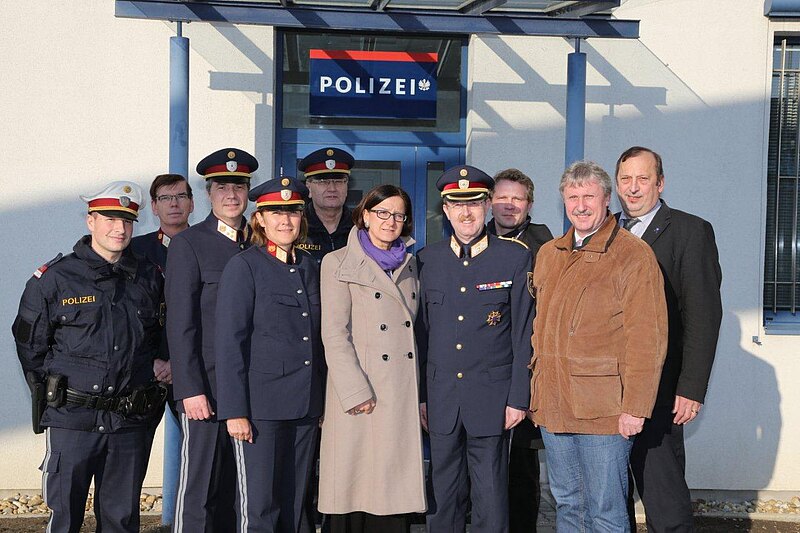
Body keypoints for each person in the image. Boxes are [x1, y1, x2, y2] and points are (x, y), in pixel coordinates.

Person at [12, 181, 166, 533]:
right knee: (65, 517)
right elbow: (31, 347)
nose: (119, 228)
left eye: (127, 221)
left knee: (121, 520)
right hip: (73, 420)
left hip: (128, 422)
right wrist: (56, 392)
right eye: (110, 219)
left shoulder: (148, 277)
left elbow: (160, 336)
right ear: (90, 221)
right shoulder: (56, 279)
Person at [529, 160, 668, 532]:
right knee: (567, 504)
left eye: (588, 196)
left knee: (604, 510)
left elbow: (648, 339)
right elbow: (539, 328)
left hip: (604, 411)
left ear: (607, 199)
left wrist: (635, 407)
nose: (580, 206)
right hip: (554, 406)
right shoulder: (550, 254)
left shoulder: (632, 255)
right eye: (572, 197)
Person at [416, 165, 534, 533]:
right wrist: (421, 396)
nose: (465, 213)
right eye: (456, 204)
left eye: (473, 204)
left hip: (492, 397)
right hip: (441, 398)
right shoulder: (427, 260)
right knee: (443, 495)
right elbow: (421, 336)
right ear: (445, 210)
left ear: (486, 206)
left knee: (491, 496)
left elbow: (523, 333)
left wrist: (518, 398)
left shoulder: (513, 257)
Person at [615, 146, 723, 532]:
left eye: (643, 179)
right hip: (609, 389)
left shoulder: (691, 231)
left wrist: (691, 387)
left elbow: (704, 315)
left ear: (660, 183)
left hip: (661, 390)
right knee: (613, 498)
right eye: (626, 179)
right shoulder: (605, 231)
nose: (633, 187)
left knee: (663, 496)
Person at [215, 176, 325, 532]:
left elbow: (317, 340)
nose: (285, 220)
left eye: (292, 212)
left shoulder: (310, 267)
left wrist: (321, 401)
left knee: (294, 505)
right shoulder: (245, 266)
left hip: (305, 407)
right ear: (260, 219)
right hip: (260, 409)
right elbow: (229, 343)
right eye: (276, 212)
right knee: (260, 508)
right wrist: (234, 411)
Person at [319, 184, 426, 533]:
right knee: (354, 488)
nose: (390, 221)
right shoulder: (337, 262)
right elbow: (334, 334)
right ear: (365, 215)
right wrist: (355, 391)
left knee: (391, 492)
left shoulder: (410, 265)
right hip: (361, 394)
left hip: (398, 393)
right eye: (382, 212)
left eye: (398, 215)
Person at [166, 148, 257, 533]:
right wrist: (190, 389)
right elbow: (180, 323)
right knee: (200, 488)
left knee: (244, 491)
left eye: (239, 187)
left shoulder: (261, 240)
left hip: (253, 388)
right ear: (208, 193)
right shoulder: (189, 244)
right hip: (208, 388)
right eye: (222, 187)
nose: (231, 195)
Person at [487, 168, 552, 533]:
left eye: (517, 198)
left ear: (529, 204)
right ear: (489, 202)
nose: (509, 205)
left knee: (522, 470)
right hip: (485, 370)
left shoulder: (546, 245)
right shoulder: (475, 239)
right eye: (502, 197)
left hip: (527, 368)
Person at [130, 173, 194, 454]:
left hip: (192, 368)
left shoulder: (207, 244)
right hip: (147, 369)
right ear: (154, 207)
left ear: (192, 203)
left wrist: (178, 362)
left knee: (201, 451)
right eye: (165, 198)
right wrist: (153, 361)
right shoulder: (135, 250)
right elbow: (127, 314)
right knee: (131, 453)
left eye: (180, 196)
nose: (174, 204)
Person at [296, 147, 355, 265]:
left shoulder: (360, 227)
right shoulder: (296, 227)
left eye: (338, 181)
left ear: (347, 186)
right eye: (323, 181)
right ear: (308, 187)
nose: (332, 188)